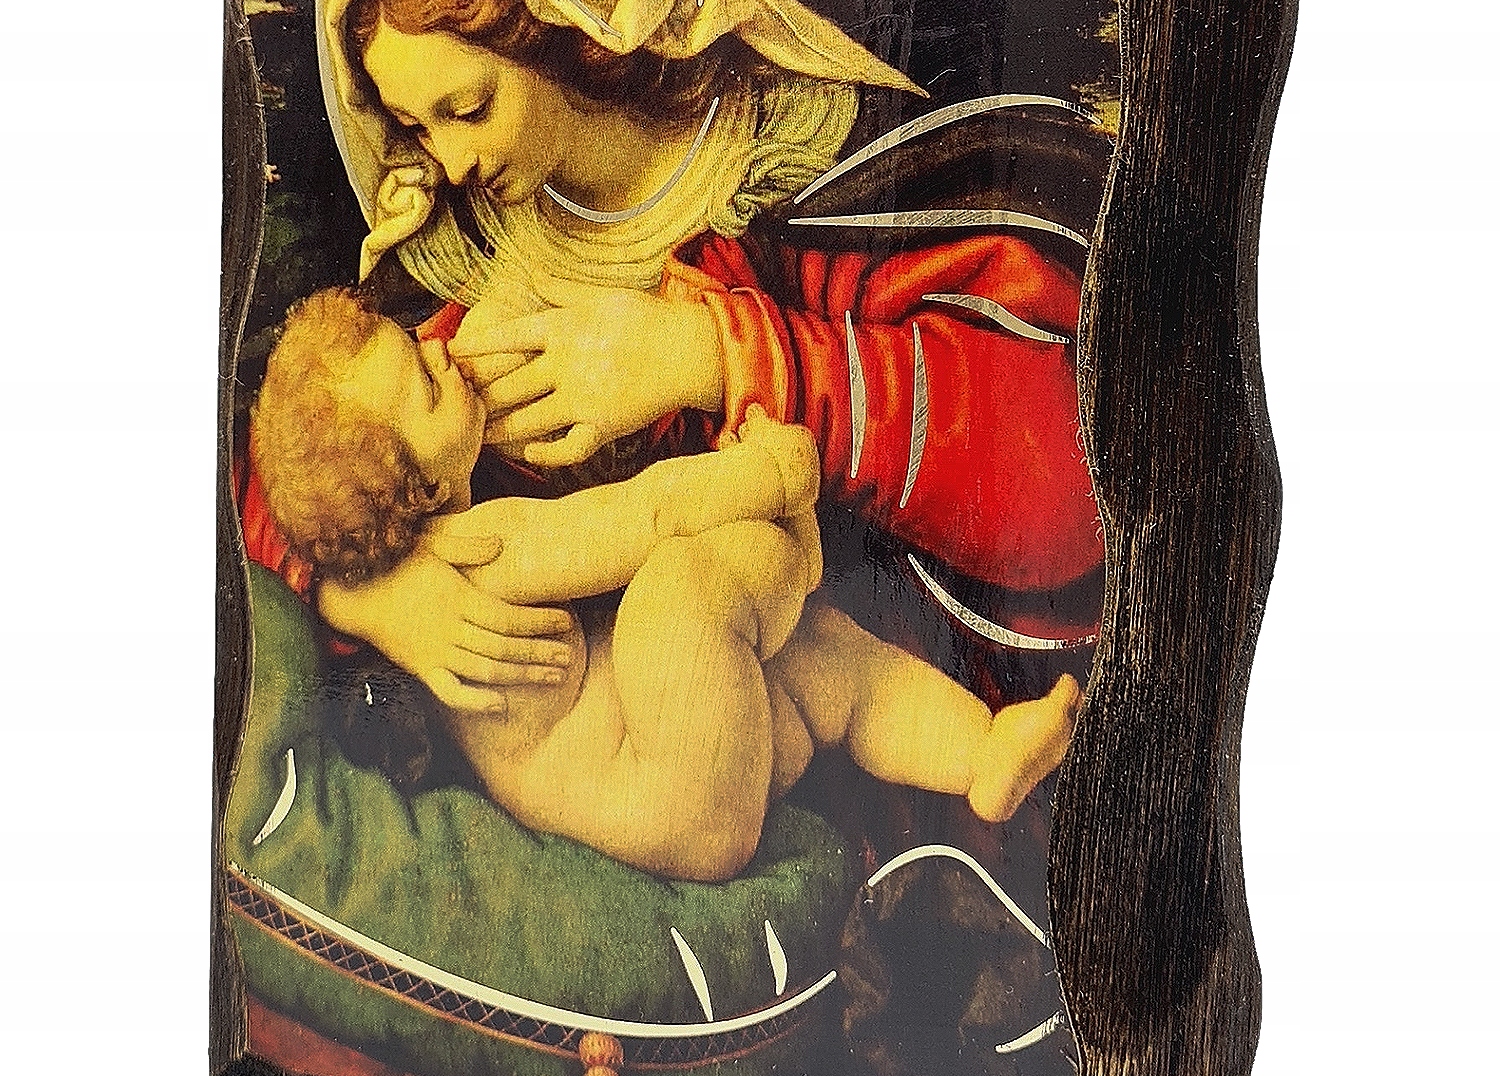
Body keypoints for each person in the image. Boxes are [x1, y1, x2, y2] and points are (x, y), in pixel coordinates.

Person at [241, 0, 1102, 759]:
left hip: (849, 693)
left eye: (469, 108)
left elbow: (1071, 479)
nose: (452, 159)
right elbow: (291, 465)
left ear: (567, 20)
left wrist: (710, 354)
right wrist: (378, 598)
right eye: (418, 127)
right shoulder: (467, 253)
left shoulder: (797, 169)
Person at [249, 289, 1082, 881]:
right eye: (427, 384)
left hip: (690, 760)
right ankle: (794, 554)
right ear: (424, 491)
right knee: (674, 586)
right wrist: (770, 475)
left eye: (415, 341)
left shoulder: (447, 538)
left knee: (828, 656)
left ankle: (984, 754)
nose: (440, 350)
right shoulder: (479, 550)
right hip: (668, 796)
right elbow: (648, 517)